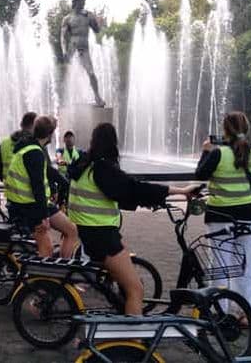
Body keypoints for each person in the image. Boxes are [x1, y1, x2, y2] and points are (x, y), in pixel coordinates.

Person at [68, 123, 197, 315]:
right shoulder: (103, 168)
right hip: (102, 237)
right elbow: (134, 188)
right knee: (136, 290)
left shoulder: (84, 165)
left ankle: (121, 309)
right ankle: (132, 339)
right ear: (113, 143)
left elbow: (119, 194)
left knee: (125, 273)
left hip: (91, 233)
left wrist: (147, 201)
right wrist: (179, 190)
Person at [194, 111, 251, 317]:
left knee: (220, 267)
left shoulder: (219, 154)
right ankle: (245, 314)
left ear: (225, 130)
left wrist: (206, 151)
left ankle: (219, 311)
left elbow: (200, 175)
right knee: (246, 269)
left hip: (220, 218)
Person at [4, 115, 77, 258]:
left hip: (27, 203)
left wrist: (64, 182)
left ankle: (60, 268)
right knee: (47, 248)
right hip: (30, 206)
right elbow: (37, 186)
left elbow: (47, 170)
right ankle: (42, 278)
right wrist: (43, 217)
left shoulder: (29, 147)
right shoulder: (34, 153)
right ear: (49, 135)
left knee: (71, 230)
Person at [60, 0, 106, 108]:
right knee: (70, 74)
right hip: (72, 48)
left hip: (84, 48)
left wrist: (96, 19)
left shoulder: (88, 16)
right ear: (76, 2)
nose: (84, 4)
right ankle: (67, 98)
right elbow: (63, 37)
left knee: (91, 73)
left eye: (84, 2)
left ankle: (97, 96)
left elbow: (97, 30)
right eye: (82, 1)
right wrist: (64, 50)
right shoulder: (67, 19)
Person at [0, 112, 37, 182]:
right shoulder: (34, 144)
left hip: (9, 189)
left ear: (21, 124)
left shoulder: (4, 143)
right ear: (35, 126)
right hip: (29, 191)